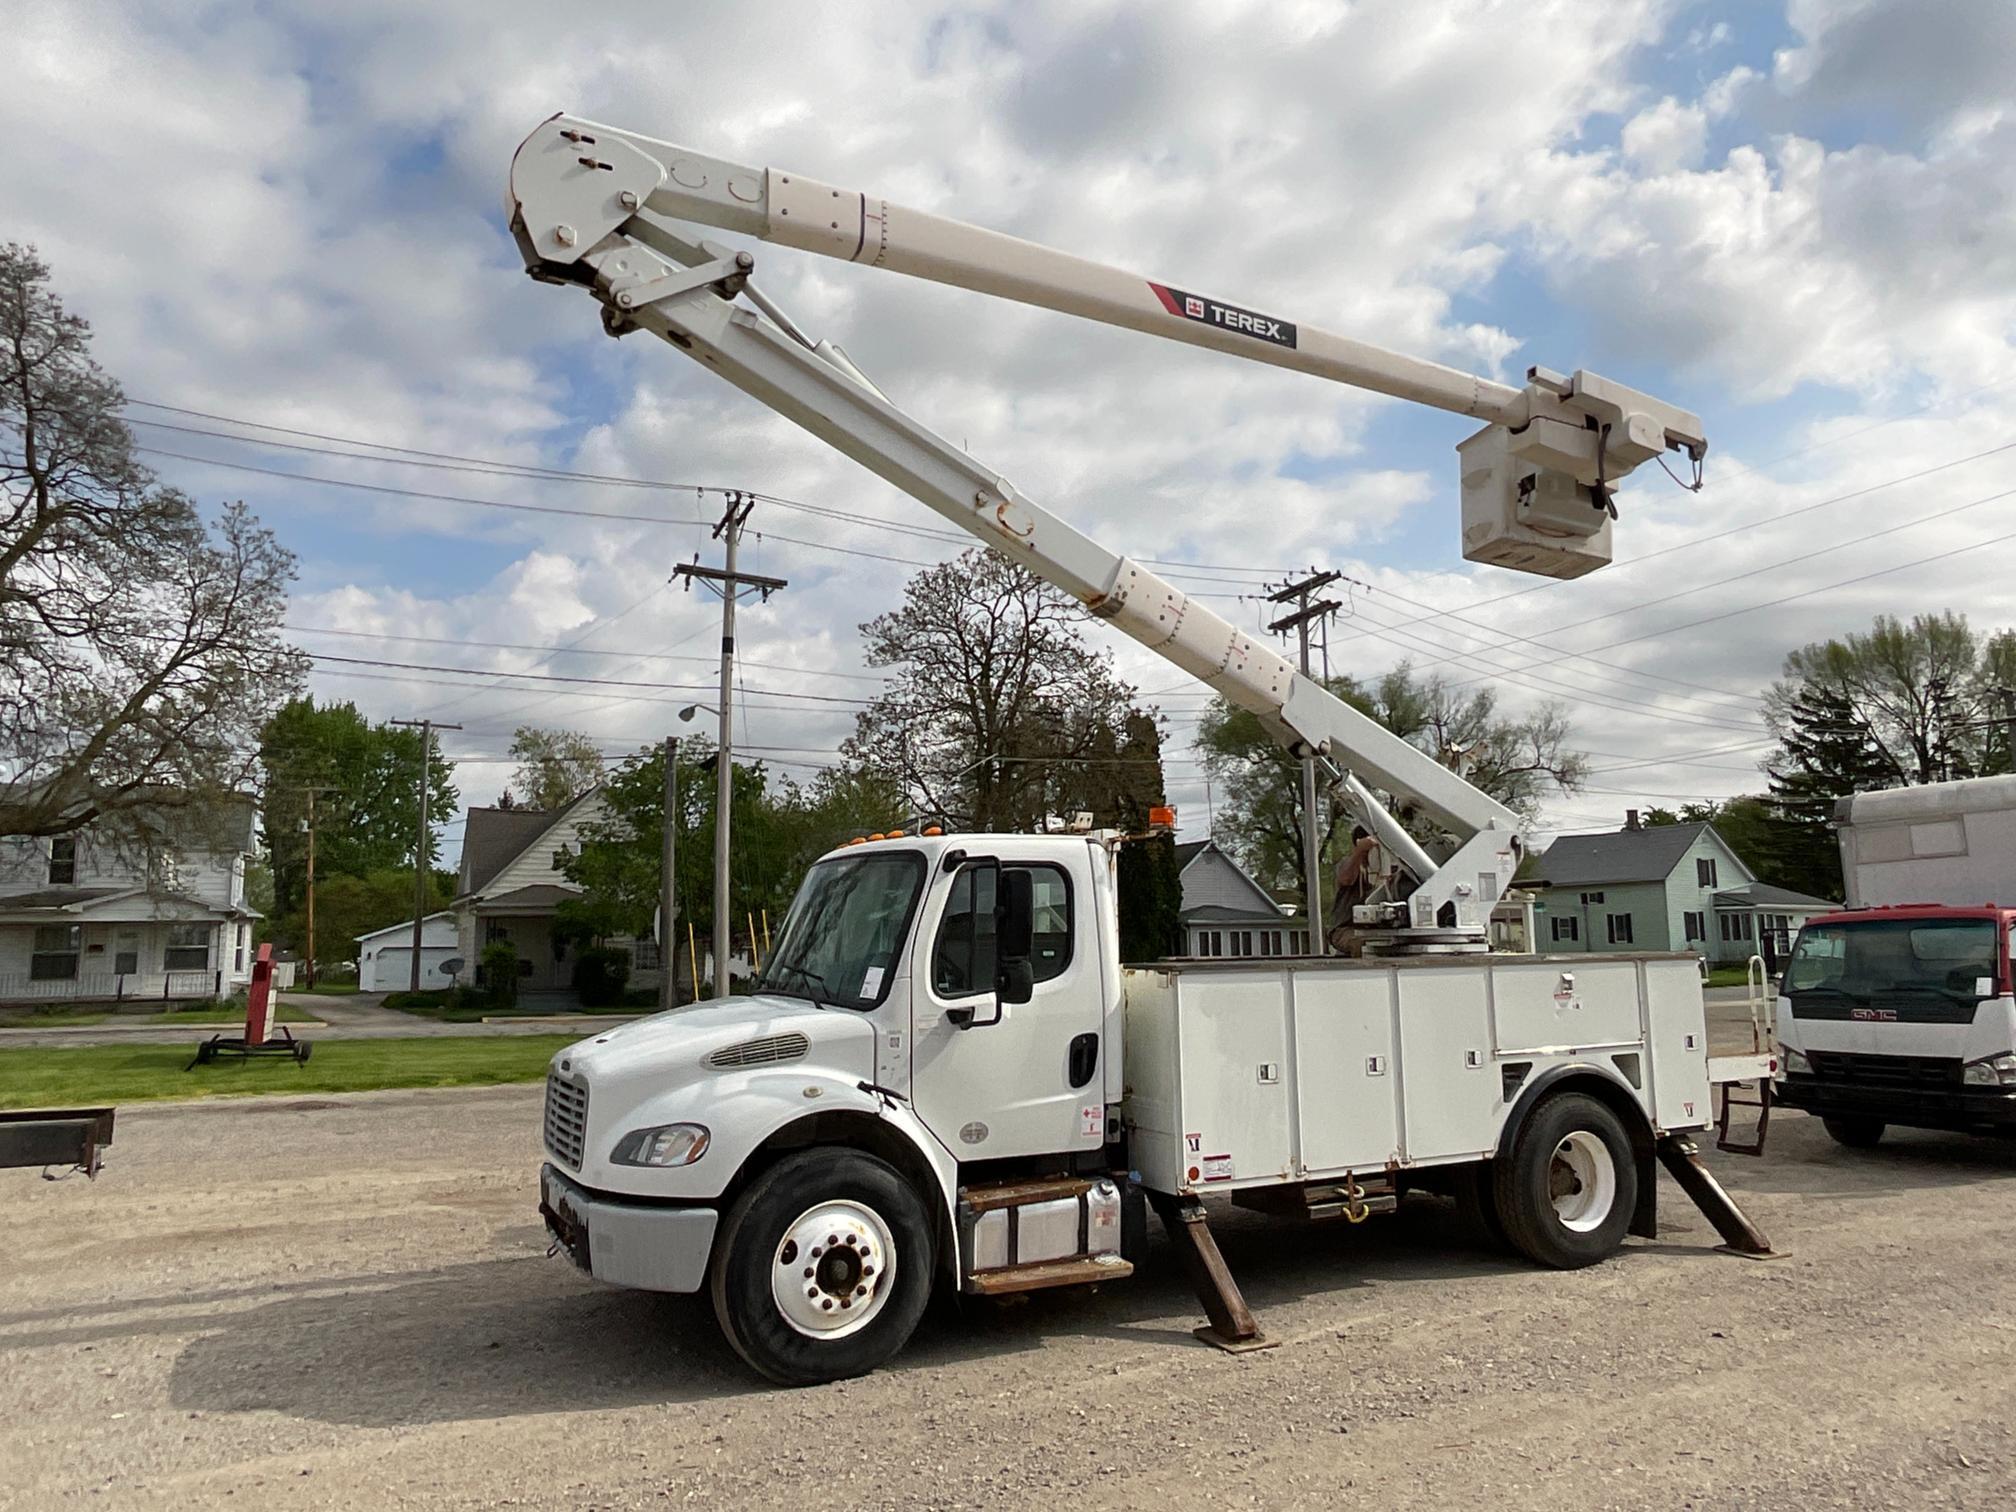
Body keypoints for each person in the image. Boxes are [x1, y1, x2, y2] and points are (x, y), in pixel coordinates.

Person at [1327, 826, 1382, 956]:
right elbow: (1346, 879)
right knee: (1361, 944)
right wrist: (1359, 851)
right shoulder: (1348, 863)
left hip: (1375, 929)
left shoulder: (1383, 869)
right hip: (1345, 929)